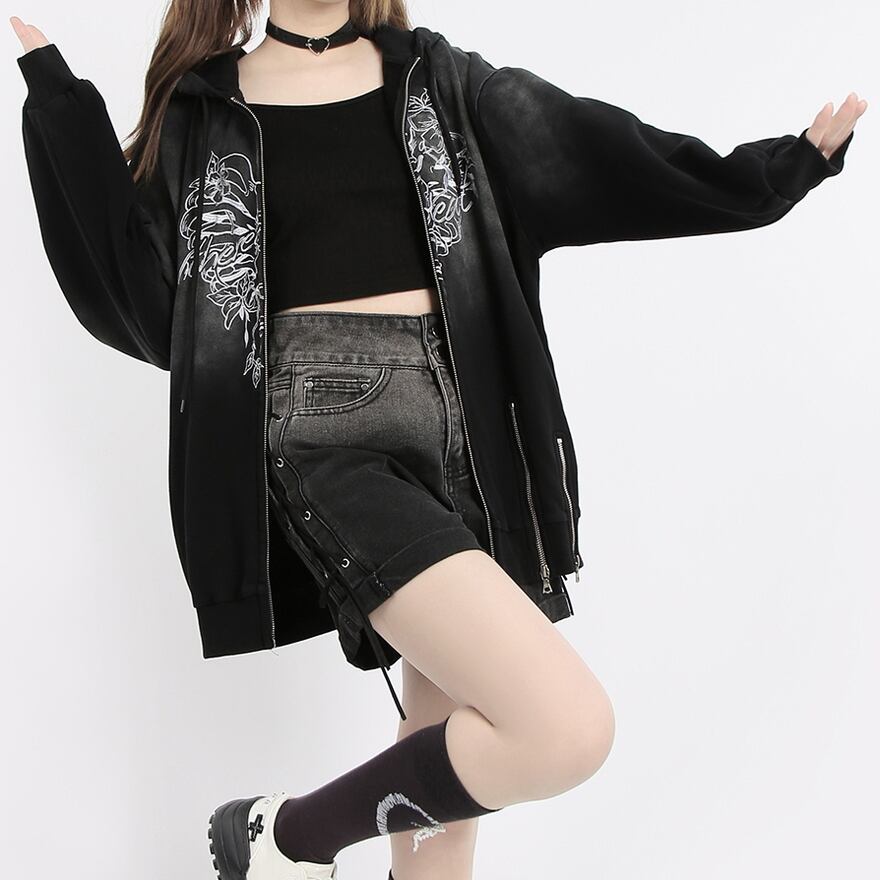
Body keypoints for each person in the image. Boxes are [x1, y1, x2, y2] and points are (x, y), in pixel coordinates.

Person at [12, 2, 865, 879]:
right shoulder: (207, 110)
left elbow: (593, 155)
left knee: (448, 774)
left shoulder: (441, 82)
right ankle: (291, 836)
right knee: (565, 728)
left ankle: (298, 842)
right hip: (319, 433)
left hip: (465, 429)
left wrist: (774, 172)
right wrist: (60, 107)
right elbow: (149, 297)